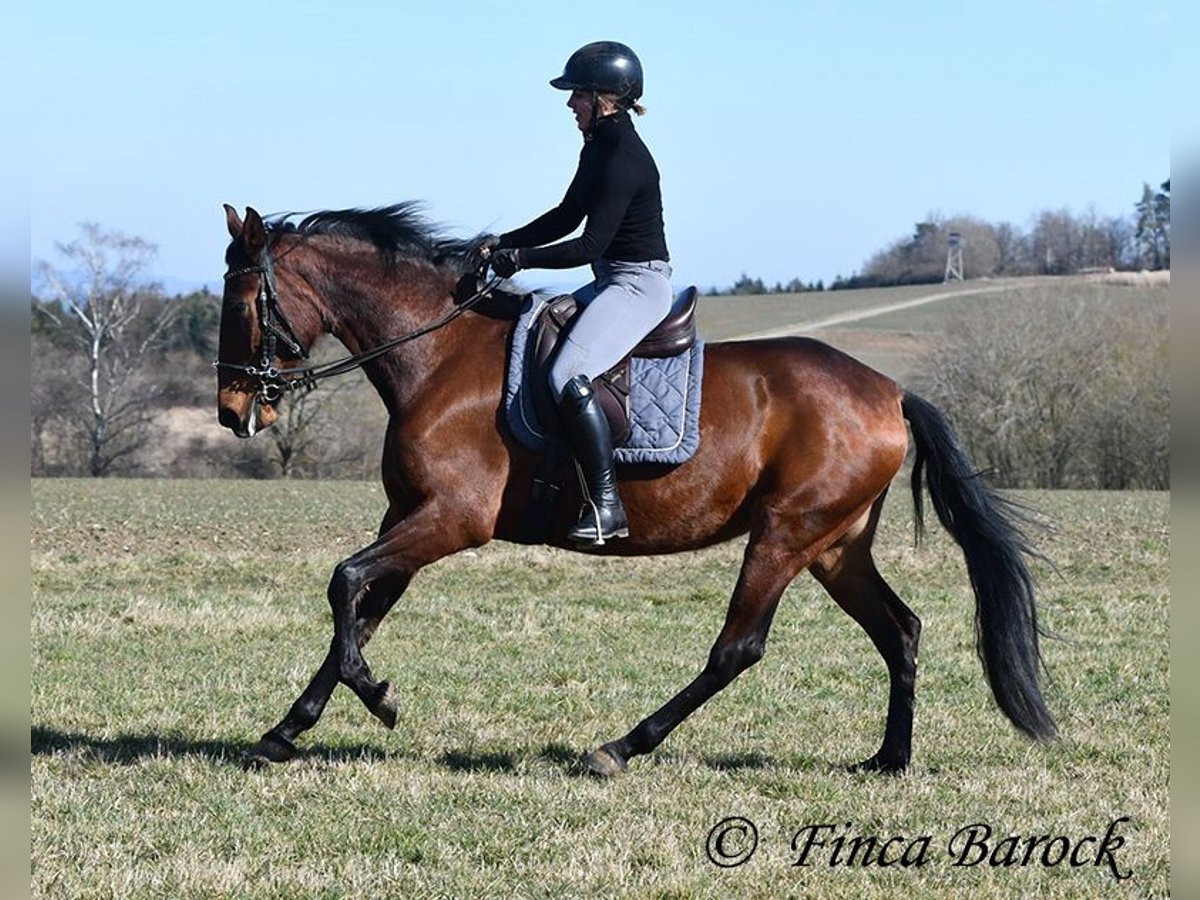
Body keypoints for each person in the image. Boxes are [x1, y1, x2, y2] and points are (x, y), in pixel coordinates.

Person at [483, 40, 673, 547]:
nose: (570, 105)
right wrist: (502, 243)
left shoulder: (624, 158)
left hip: (637, 284)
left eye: (577, 96)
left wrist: (520, 260)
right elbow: (566, 216)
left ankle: (607, 505)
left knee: (570, 374)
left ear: (606, 98)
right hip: (613, 277)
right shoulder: (600, 145)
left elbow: (588, 243)